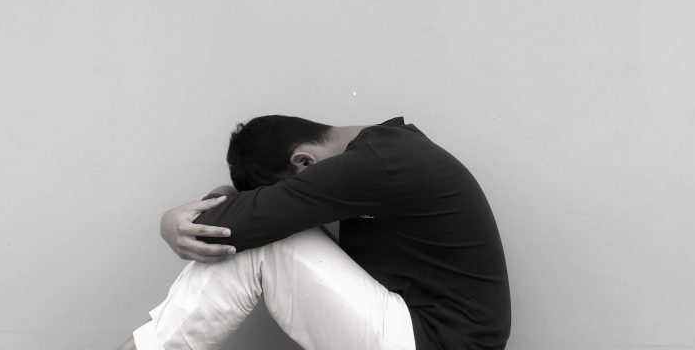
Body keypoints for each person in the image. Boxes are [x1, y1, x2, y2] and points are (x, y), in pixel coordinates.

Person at [118, 115, 510, 350]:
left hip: (434, 341)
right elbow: (247, 218)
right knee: (261, 234)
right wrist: (227, 198)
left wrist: (171, 221)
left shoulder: (380, 162)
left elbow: (232, 227)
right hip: (422, 334)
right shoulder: (387, 152)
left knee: (267, 242)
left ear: (304, 162)